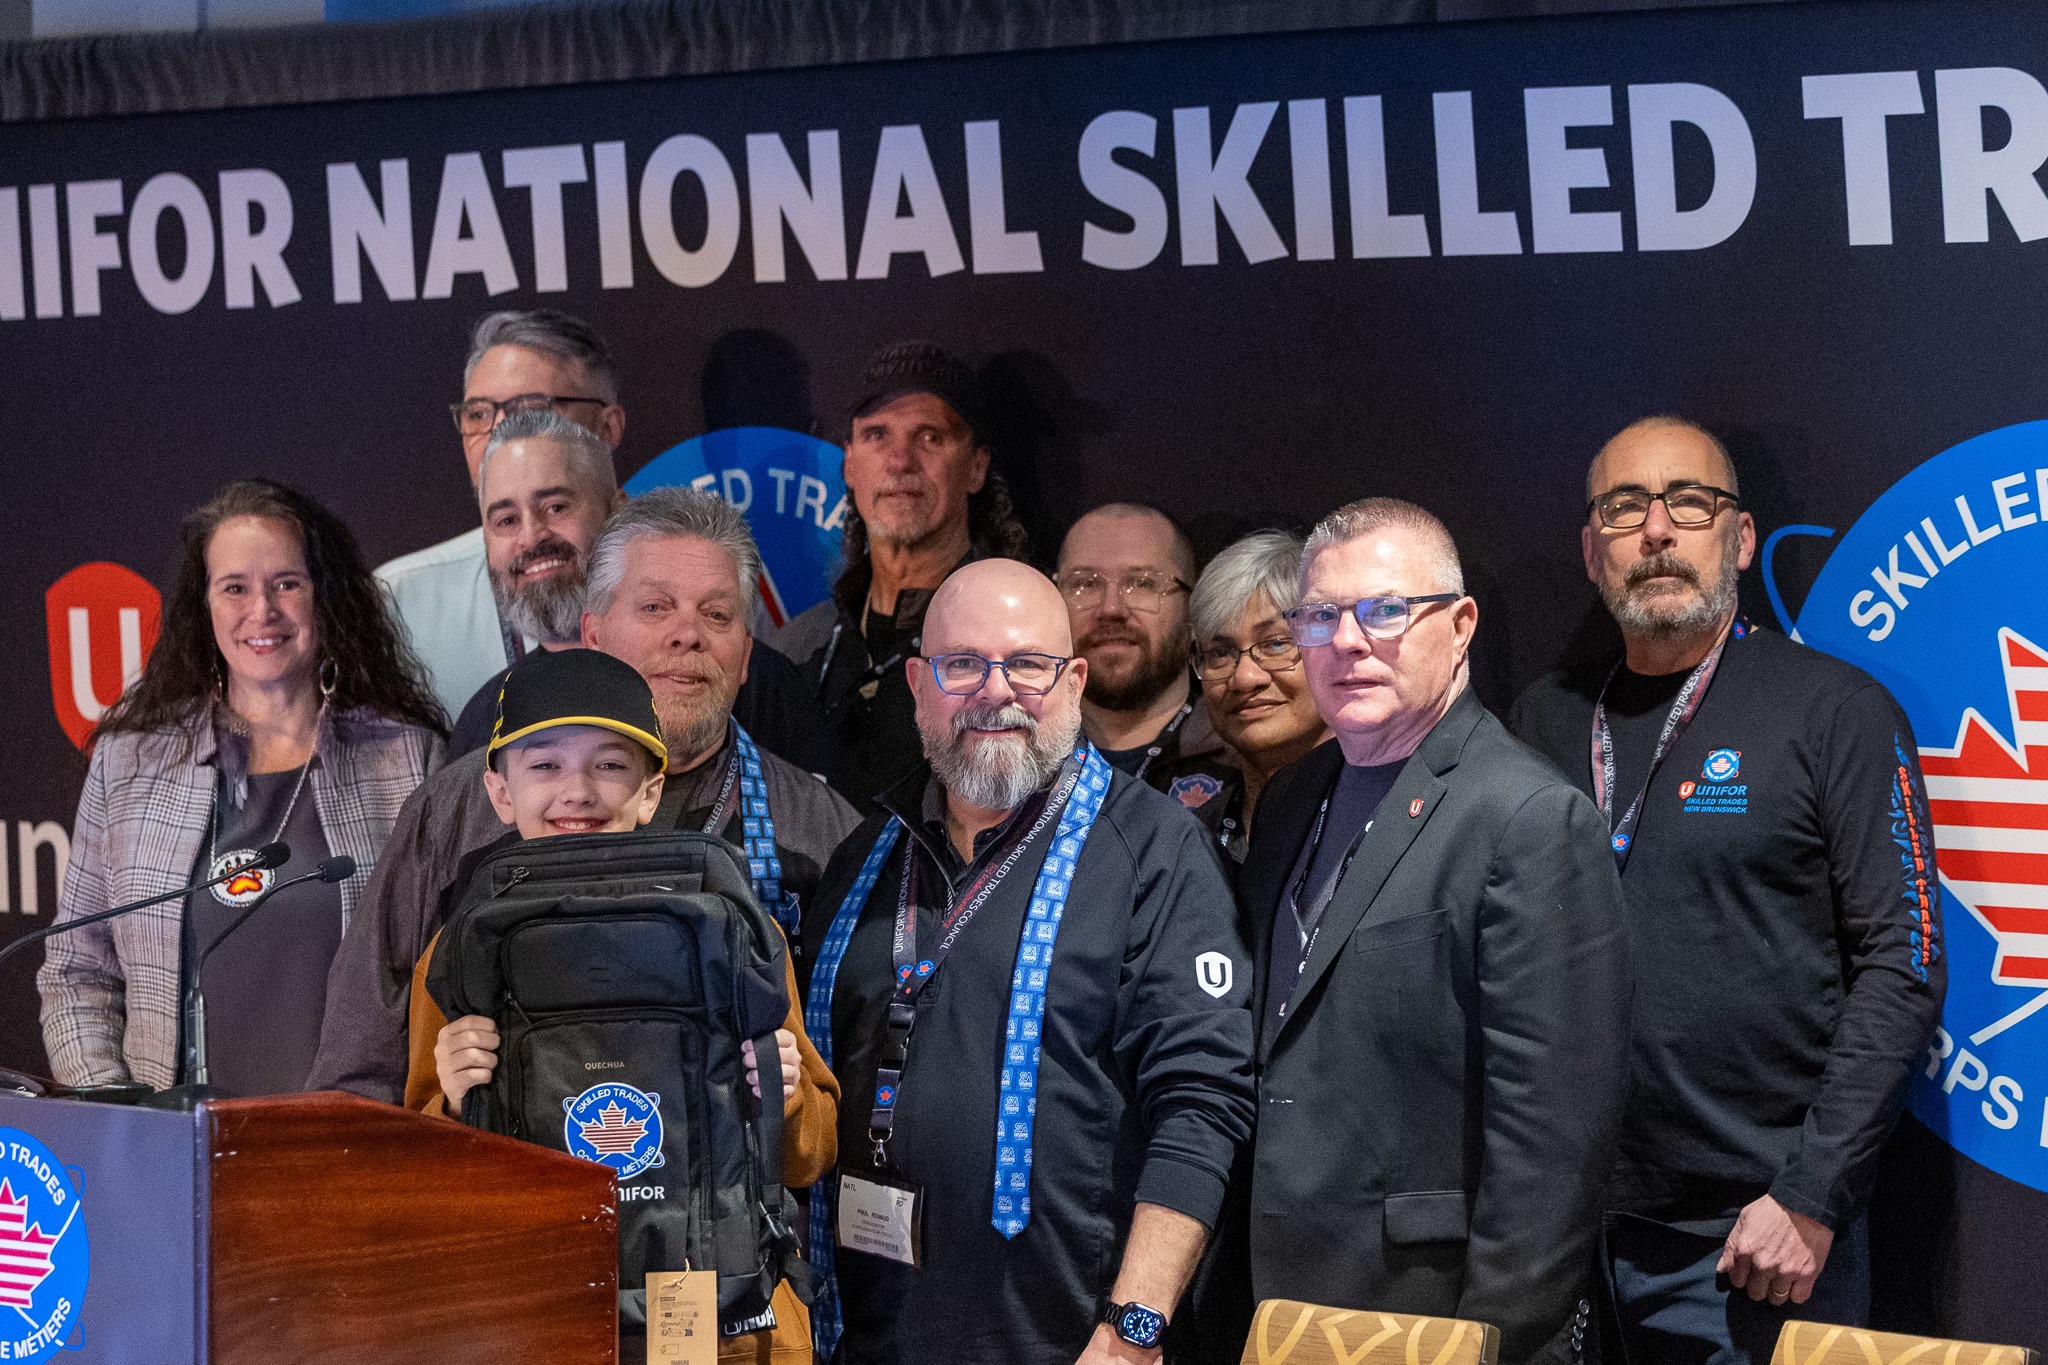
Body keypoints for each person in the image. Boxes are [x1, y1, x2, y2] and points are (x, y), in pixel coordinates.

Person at [1508, 416, 1945, 1364]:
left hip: (1751, 1245)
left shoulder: (1836, 711)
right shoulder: (1541, 720)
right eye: (1625, 507)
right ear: (1592, 549)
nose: (1657, 529)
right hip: (1559, 1239)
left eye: (1690, 501)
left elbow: (1903, 965)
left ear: (1740, 538)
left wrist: (1813, 1194)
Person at [800, 558, 1255, 1365]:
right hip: (872, 1341)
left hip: (1075, 1346)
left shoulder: (1154, 853)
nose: (995, 690)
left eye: (1029, 665)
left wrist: (1134, 1329)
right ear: (916, 682)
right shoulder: (862, 857)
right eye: (963, 664)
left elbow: (1203, 1105)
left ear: (1074, 681)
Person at [308, 488, 862, 1106]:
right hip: (513, 1190)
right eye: (656, 607)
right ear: (594, 633)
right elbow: (360, 1070)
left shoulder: (821, 831)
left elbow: (852, 1087)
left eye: (717, 614)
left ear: (746, 657)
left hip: (720, 1194)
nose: (688, 635)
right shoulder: (457, 811)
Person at [1242, 497, 1630, 1364]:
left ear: (1459, 627)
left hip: (1436, 1316)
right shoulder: (1291, 799)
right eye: (1319, 616)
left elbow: (1554, 1149)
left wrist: (1483, 1340)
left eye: (1385, 610)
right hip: (1279, 1304)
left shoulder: (1528, 817)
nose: (1347, 641)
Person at [410, 647, 834, 1365]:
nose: (576, 789)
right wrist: (449, 1108)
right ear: (499, 791)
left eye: (609, 764)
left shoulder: (726, 928)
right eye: (543, 764)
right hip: (544, 1318)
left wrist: (784, 1096)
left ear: (649, 790)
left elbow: (813, 1153)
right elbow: (429, 1187)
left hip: (717, 1326)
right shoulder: (462, 951)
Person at [40, 479, 445, 1095]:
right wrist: (115, 1109)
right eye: (235, 588)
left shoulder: (405, 758)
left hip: (353, 1147)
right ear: (205, 607)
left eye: (287, 583)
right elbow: (77, 973)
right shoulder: (131, 761)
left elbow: (441, 974)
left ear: (326, 598)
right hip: (173, 1157)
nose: (262, 611)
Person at [771, 342, 1030, 805]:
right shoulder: (796, 650)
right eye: (877, 436)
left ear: (976, 466)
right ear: (849, 464)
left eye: (930, 437)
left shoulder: (1023, 644)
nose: (900, 461)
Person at [377, 309, 625, 720]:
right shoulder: (399, 602)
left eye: (530, 411)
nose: (501, 436)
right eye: (478, 415)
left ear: (607, 427)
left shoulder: (699, 577)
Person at [1153, 531, 1329, 859]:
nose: (1245, 677)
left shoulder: (1383, 823)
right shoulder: (1185, 845)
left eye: (1276, 644)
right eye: (1220, 653)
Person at [1055, 503, 1230, 786]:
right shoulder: (1021, 757)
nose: (1111, 608)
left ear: (1193, 608)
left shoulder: (1242, 757)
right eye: (1085, 584)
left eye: (1142, 584)